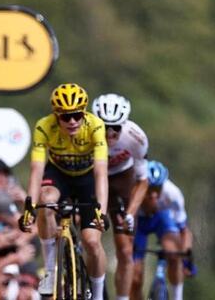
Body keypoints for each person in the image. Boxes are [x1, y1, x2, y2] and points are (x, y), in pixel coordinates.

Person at [18, 83, 109, 300]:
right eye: (65, 117)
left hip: (87, 178)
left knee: (92, 242)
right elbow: (37, 169)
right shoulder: (44, 126)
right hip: (59, 175)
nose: (72, 121)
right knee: (45, 200)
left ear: (84, 113)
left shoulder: (96, 126)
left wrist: (102, 212)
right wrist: (29, 208)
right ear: (56, 115)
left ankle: (97, 295)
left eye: (77, 115)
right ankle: (50, 271)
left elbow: (101, 173)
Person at [92, 93, 150, 300]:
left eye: (115, 127)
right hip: (91, 176)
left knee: (125, 250)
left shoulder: (136, 137)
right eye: (104, 127)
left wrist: (131, 213)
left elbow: (143, 181)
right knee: (90, 235)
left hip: (121, 179)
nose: (109, 133)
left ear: (124, 124)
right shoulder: (84, 132)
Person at [130, 161, 195, 300]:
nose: (154, 195)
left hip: (161, 219)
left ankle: (177, 296)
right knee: (135, 277)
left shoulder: (173, 194)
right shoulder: (132, 190)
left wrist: (186, 258)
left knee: (173, 254)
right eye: (149, 190)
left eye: (157, 190)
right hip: (138, 222)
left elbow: (184, 231)